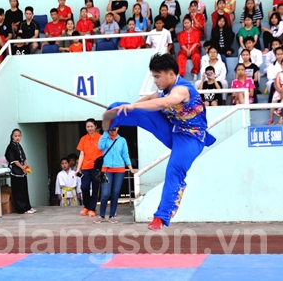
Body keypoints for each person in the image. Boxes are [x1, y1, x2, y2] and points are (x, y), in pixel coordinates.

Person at [102, 53, 216, 231]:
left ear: (170, 74)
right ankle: (114, 115)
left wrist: (134, 107)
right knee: (134, 110)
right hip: (173, 130)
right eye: (153, 76)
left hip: (191, 139)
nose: (155, 80)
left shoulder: (182, 89)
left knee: (174, 170)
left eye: (157, 76)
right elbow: (149, 99)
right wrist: (128, 106)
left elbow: (165, 102)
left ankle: (161, 217)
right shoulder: (164, 88)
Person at [94, 127, 137, 224]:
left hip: (119, 170)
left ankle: (112, 216)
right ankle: (101, 216)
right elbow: (100, 146)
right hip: (106, 169)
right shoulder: (105, 138)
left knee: (115, 193)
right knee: (105, 193)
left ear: (118, 128)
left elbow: (125, 154)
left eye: (114, 129)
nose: (112, 131)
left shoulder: (122, 140)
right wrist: (105, 131)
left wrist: (130, 168)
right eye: (110, 129)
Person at [75, 118, 103, 217]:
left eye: (91, 126)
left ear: (95, 126)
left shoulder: (101, 138)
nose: (89, 128)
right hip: (85, 167)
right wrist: (78, 168)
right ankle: (86, 206)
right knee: (84, 187)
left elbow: (104, 152)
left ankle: (92, 208)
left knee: (95, 188)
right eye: (88, 126)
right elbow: (81, 154)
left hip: (96, 168)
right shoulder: (83, 139)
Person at [5, 128, 36, 214]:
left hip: (22, 171)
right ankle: (21, 208)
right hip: (16, 172)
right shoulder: (11, 146)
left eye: (19, 136)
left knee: (24, 190)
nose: (17, 137)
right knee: (18, 191)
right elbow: (14, 160)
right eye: (15, 136)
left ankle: (27, 207)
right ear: (12, 136)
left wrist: (25, 167)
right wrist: (22, 167)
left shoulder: (19, 146)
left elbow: (24, 158)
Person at [177, 16, 201, 81]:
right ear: (183, 24)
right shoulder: (181, 34)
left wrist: (190, 50)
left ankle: (195, 73)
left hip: (194, 48)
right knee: (180, 57)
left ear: (191, 23)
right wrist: (187, 50)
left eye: (188, 23)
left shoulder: (196, 32)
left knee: (196, 56)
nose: (186, 24)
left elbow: (196, 43)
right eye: (185, 23)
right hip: (184, 49)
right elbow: (182, 44)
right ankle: (180, 75)